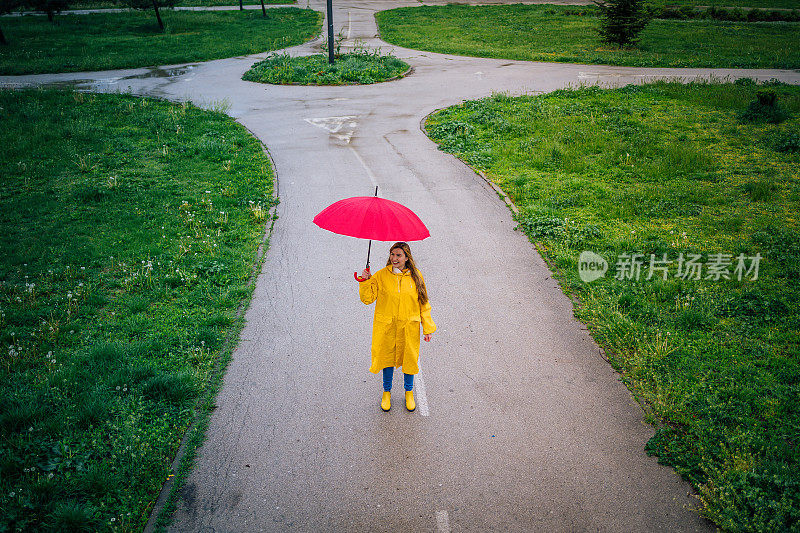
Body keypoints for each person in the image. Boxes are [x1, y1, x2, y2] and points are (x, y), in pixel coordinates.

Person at [358, 242, 436, 412]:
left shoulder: (416, 276)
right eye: (392, 254)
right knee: (387, 359)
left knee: (409, 359)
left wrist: (427, 327)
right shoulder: (381, 275)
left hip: (409, 327)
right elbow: (367, 299)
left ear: (407, 257)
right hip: (387, 326)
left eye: (399, 255)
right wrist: (366, 280)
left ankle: (409, 392)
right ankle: (387, 392)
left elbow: (424, 303)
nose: (394, 258)